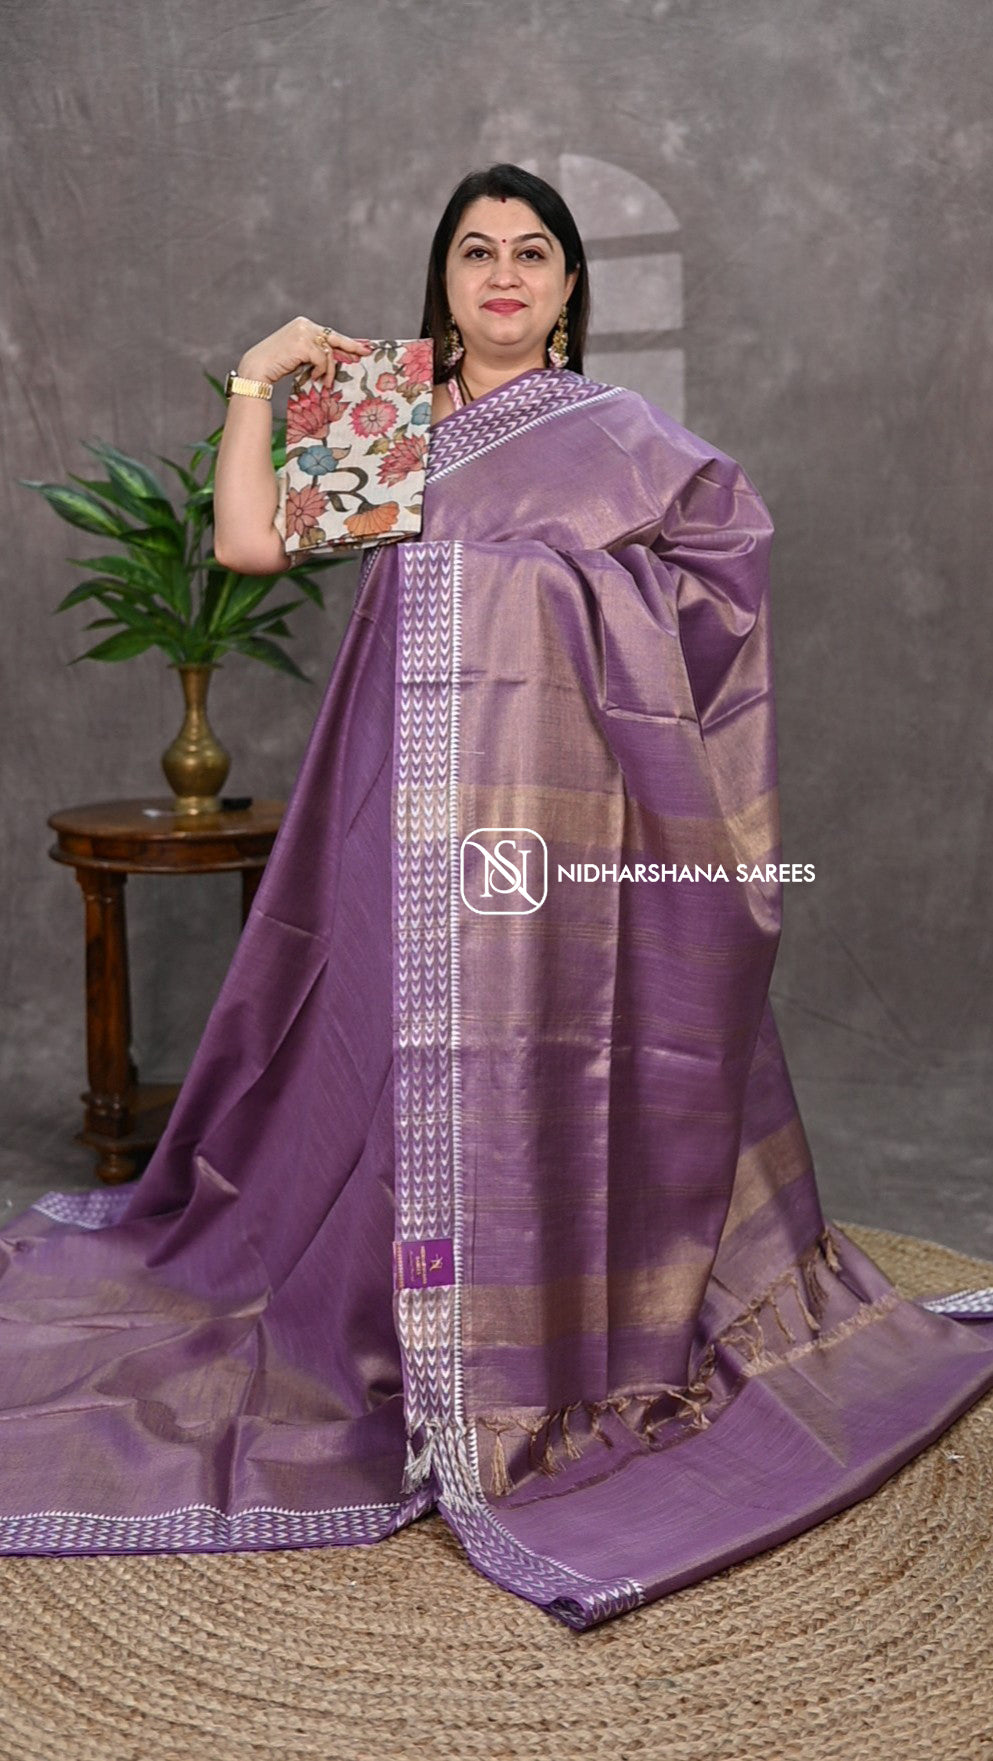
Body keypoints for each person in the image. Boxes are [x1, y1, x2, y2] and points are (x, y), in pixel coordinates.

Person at [1, 164, 992, 1633]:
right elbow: (249, 543)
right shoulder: (393, 416)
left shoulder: (626, 437)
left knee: (548, 1062)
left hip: (563, 828)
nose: (505, 274)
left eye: (533, 251)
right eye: (477, 252)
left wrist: (551, 599)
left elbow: (724, 592)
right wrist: (263, 377)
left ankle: (557, 1319)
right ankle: (414, 1325)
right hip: (404, 826)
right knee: (397, 1071)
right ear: (446, 281)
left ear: (571, 285)